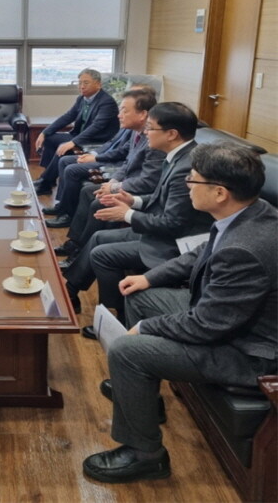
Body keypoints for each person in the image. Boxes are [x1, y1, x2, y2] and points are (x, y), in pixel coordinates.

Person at [83, 143, 277, 484]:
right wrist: (148, 277)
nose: (187, 183)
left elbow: (207, 325)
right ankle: (144, 398)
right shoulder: (251, 211)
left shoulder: (245, 248)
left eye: (194, 179)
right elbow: (202, 251)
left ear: (219, 192)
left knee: (129, 350)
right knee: (140, 296)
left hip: (249, 353)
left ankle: (145, 455)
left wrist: (145, 329)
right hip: (225, 319)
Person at [64, 102, 212, 324]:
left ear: (171, 134)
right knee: (98, 238)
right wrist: (132, 200)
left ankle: (117, 319)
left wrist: (127, 214)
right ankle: (70, 291)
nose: (145, 133)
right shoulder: (177, 156)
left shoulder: (187, 166)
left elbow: (173, 224)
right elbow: (160, 198)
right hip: (161, 229)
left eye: (150, 128)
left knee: (102, 254)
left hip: (176, 242)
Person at [45, 88, 163, 228]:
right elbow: (125, 157)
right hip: (121, 173)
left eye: (124, 111)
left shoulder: (154, 140)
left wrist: (113, 186)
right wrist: (111, 181)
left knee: (84, 184)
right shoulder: (135, 131)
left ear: (143, 114)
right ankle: (70, 226)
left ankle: (76, 237)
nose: (119, 115)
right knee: (83, 185)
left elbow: (146, 179)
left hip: (131, 184)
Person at [33, 69, 119, 195]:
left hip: (97, 140)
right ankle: (48, 180)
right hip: (80, 136)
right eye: (79, 83)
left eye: (86, 83)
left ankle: (45, 181)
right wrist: (45, 132)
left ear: (98, 84)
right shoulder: (82, 99)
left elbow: (96, 126)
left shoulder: (106, 102)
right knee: (50, 138)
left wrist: (73, 142)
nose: (81, 86)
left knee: (64, 147)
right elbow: (68, 117)